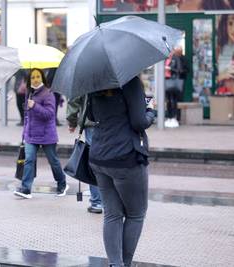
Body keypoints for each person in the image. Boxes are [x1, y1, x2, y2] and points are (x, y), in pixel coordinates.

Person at [87, 76, 156, 267]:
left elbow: (92, 116)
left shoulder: (95, 81)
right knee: (136, 214)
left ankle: (115, 264)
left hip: (99, 156)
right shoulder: (130, 81)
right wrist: (150, 111)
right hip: (125, 157)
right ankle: (124, 264)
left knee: (112, 214)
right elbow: (139, 122)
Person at [13, 68, 68, 199]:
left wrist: (35, 106)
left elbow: (49, 115)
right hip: (31, 135)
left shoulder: (48, 94)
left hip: (46, 135)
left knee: (53, 161)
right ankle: (26, 188)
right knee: (29, 159)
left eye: (38, 76)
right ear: (29, 80)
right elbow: (27, 116)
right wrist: (24, 133)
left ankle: (62, 183)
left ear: (42, 78)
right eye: (33, 77)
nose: (35, 79)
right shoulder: (29, 93)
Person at [66, 96, 103, 214]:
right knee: (110, 161)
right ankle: (111, 202)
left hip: (91, 124)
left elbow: (74, 99)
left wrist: (72, 122)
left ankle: (97, 202)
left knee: (95, 163)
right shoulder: (114, 78)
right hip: (112, 125)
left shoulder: (85, 78)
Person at [164, 47, 188, 128]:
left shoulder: (175, 58)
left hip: (173, 80)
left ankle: (174, 117)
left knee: (174, 99)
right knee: (168, 100)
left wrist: (170, 68)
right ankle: (169, 117)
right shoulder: (165, 59)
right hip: (166, 80)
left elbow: (179, 69)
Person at [216, 14, 234, 95]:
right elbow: (217, 77)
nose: (233, 29)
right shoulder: (220, 49)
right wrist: (222, 76)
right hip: (226, 92)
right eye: (230, 23)